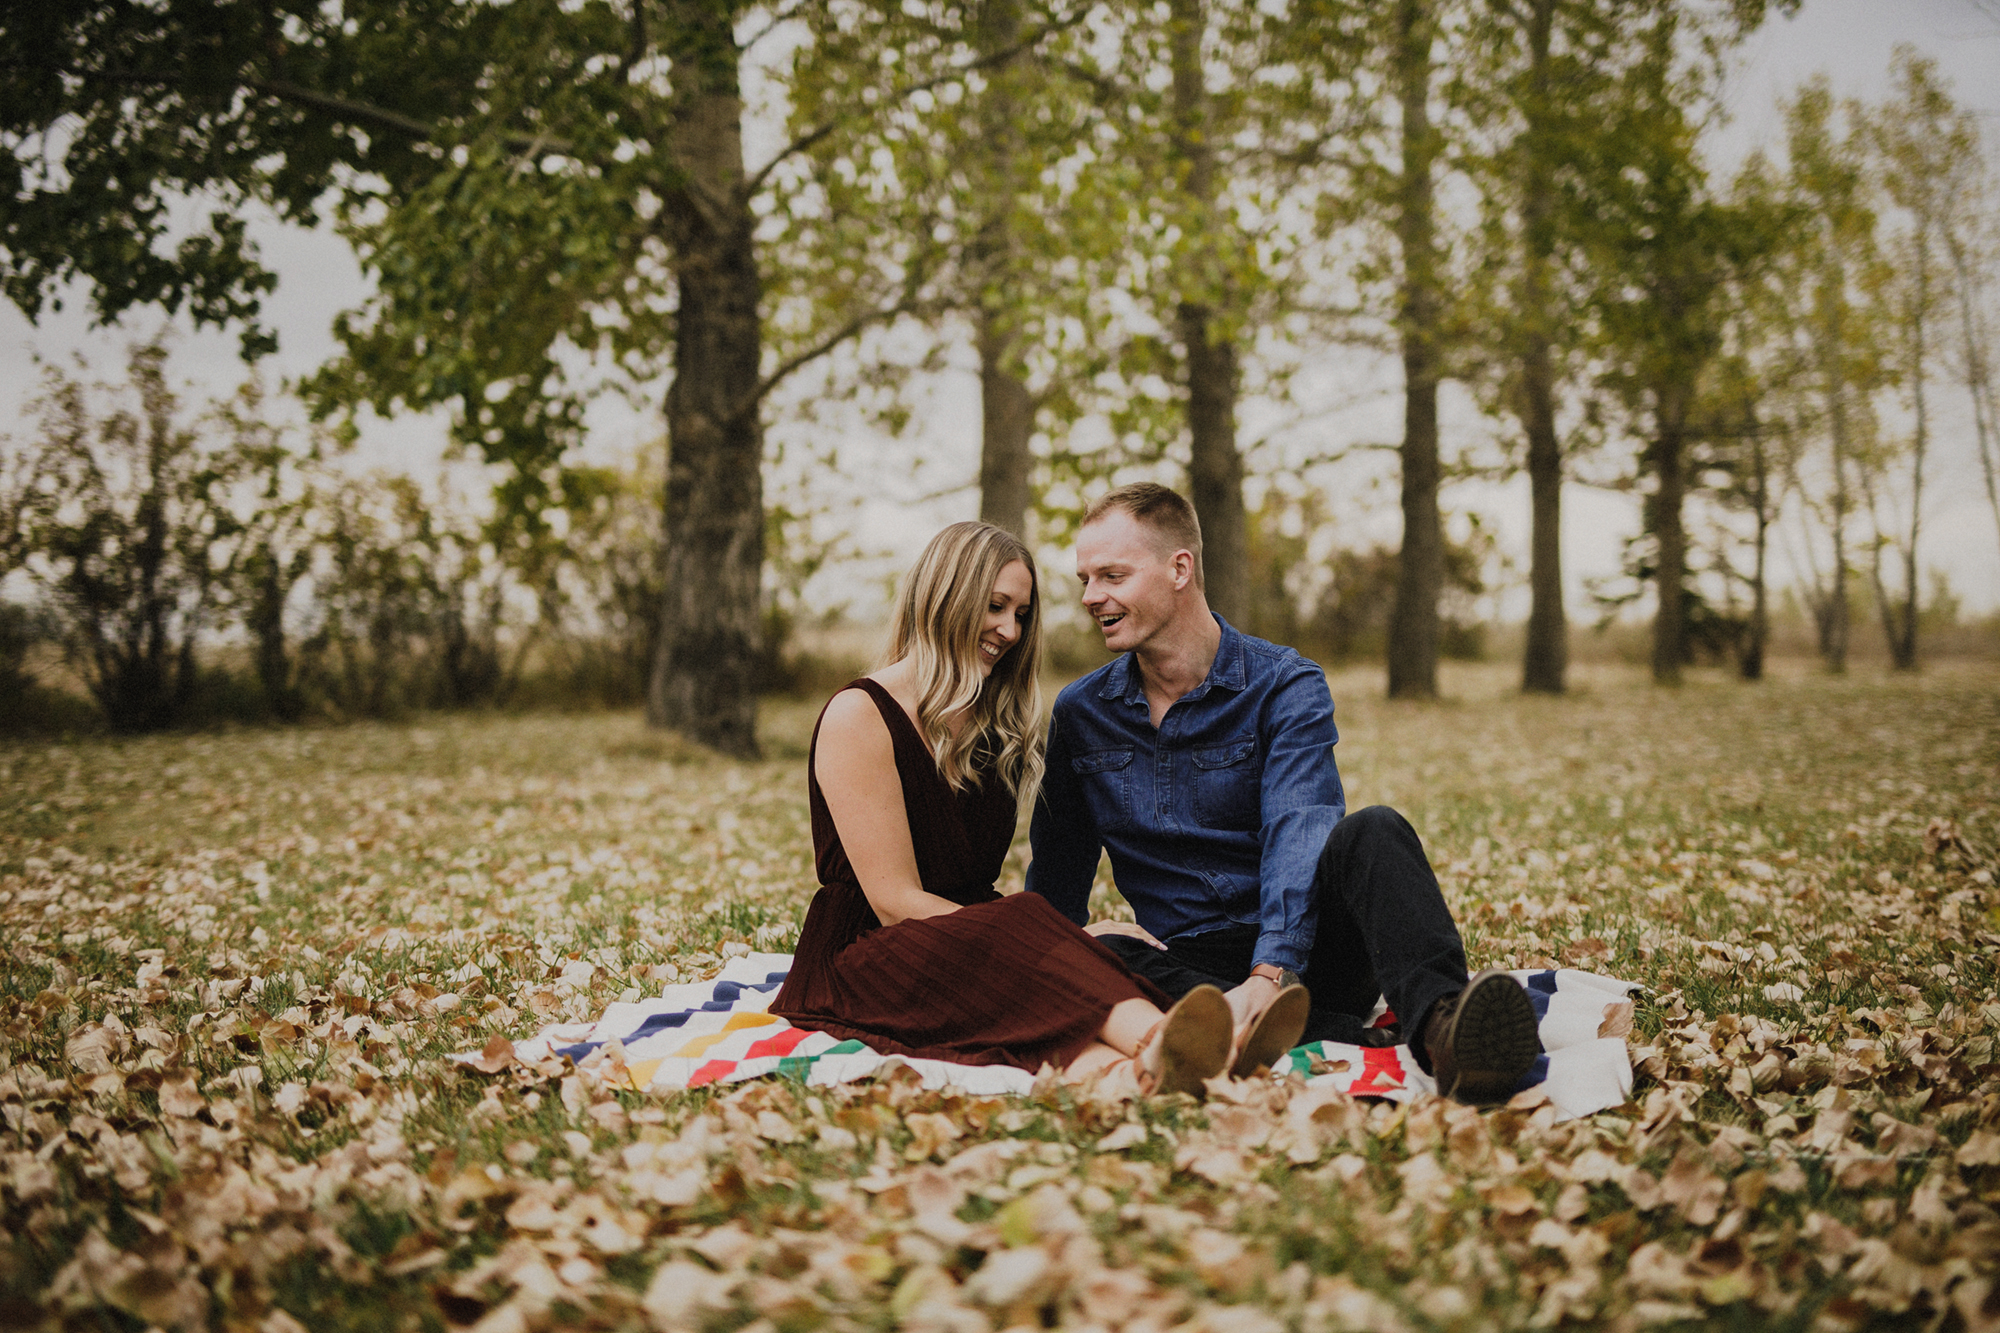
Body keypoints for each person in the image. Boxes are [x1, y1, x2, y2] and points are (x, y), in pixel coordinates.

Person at [1025, 484, 1540, 1104]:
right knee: (1101, 951)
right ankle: (1335, 1040)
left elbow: (1301, 826)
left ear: (1179, 568)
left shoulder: (1282, 684)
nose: (1091, 597)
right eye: (1085, 579)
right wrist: (1074, 948)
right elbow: (1056, 874)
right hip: (1187, 972)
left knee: (1373, 829)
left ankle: (1445, 1034)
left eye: (1112, 575)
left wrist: (1271, 972)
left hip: (1307, 954)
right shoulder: (1082, 713)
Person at [770, 521, 1309, 1096]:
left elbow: (979, 899)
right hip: (866, 954)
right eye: (995, 606)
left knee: (1056, 982)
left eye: (1021, 614)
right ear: (946, 597)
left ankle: (1136, 1078)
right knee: (1036, 935)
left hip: (966, 937)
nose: (1009, 630)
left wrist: (1057, 938)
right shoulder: (860, 713)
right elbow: (893, 901)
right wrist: (1046, 935)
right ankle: (1187, 1043)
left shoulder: (987, 721)